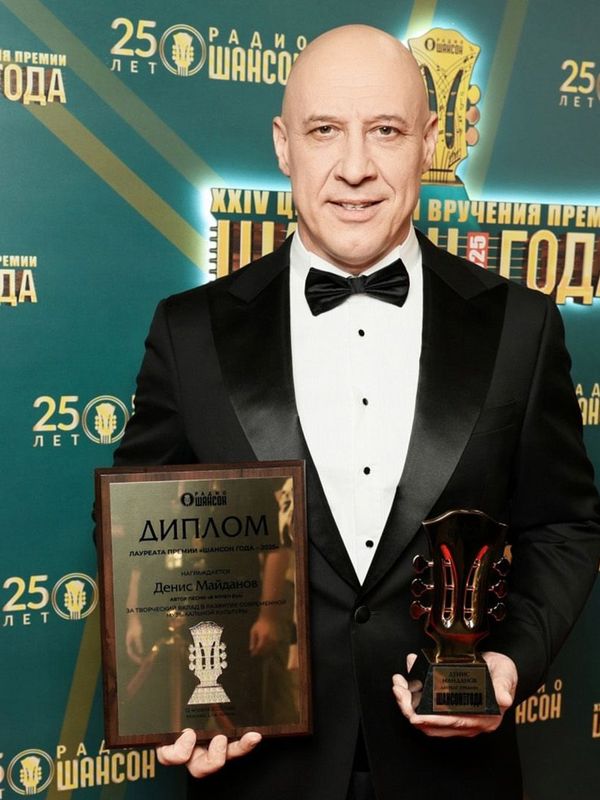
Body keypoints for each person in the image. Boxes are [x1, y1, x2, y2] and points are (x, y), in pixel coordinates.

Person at [112, 24, 600, 800]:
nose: (355, 167)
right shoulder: (189, 331)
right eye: (324, 130)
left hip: (455, 780)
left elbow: (565, 526)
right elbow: (139, 529)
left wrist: (508, 661)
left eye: (386, 131)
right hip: (261, 772)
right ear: (284, 145)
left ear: (429, 142)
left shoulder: (522, 327)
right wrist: (178, 690)